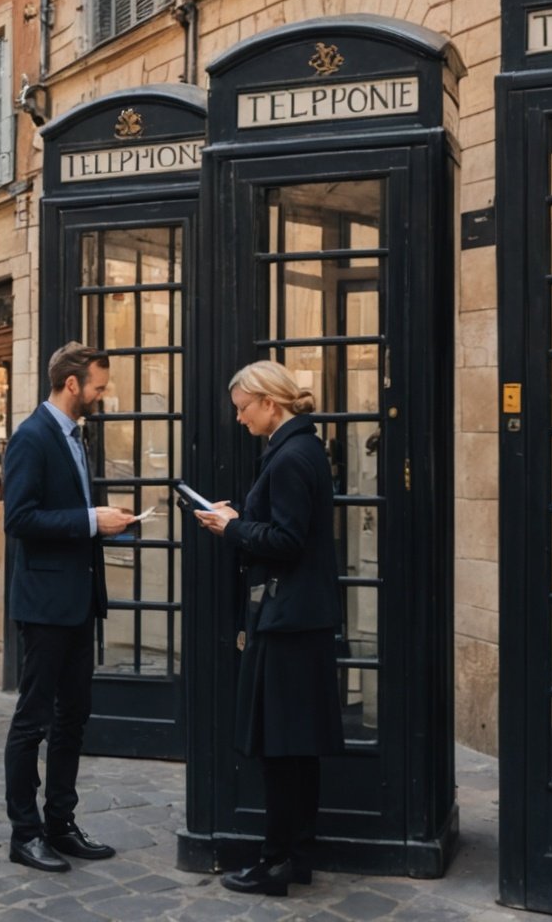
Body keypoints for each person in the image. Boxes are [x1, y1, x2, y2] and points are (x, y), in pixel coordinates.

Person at [194, 360, 345, 897]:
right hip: (304, 615)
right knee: (298, 747)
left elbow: (286, 542)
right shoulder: (303, 448)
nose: (239, 419)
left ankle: (277, 860)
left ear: (269, 404)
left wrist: (232, 527)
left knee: (281, 748)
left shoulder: (288, 457)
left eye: (242, 409)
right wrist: (240, 519)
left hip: (285, 618)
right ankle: (295, 854)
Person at [1, 341, 136, 873]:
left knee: (73, 717)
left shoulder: (78, 437)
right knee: (32, 721)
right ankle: (24, 833)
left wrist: (106, 520)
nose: (103, 396)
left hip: (79, 600)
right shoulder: (32, 437)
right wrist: (89, 521)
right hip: (44, 605)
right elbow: (21, 520)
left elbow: (71, 513)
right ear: (72, 384)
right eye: (98, 387)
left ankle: (60, 822)